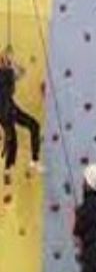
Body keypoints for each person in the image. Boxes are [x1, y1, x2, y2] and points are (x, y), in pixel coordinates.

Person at [0, 48, 42, 186]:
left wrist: (11, 62)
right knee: (16, 138)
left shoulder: (7, 73)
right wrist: (10, 63)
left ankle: (24, 164)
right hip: (7, 111)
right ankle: (13, 168)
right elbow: (19, 73)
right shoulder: (6, 74)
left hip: (8, 110)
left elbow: (21, 73)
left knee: (31, 127)